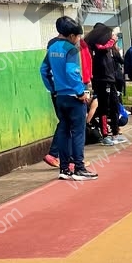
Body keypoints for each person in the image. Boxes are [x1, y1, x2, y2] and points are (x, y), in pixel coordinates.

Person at [40, 16, 97, 182]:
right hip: (74, 97)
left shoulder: (52, 48)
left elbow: (43, 70)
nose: (78, 39)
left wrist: (53, 89)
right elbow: (72, 72)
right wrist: (80, 92)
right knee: (78, 132)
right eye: (78, 36)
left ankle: (64, 169)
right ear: (71, 35)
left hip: (60, 97)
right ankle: (79, 168)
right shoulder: (71, 49)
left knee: (64, 131)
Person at [84, 23, 126, 145]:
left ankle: (115, 133)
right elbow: (103, 47)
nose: (111, 36)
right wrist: (112, 41)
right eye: (109, 34)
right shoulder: (97, 46)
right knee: (104, 107)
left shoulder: (110, 48)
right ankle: (105, 135)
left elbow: (121, 60)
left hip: (111, 80)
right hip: (102, 80)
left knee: (114, 106)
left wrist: (115, 46)